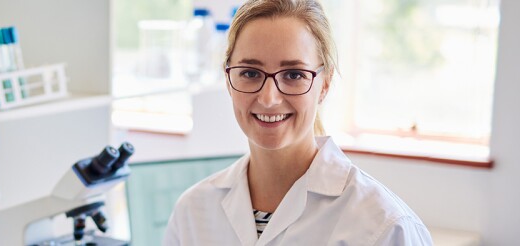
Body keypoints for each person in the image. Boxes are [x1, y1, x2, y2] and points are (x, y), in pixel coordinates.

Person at [163, 0, 433, 245]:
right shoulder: (192, 211)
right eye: (249, 73)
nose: (269, 98)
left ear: (324, 85)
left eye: (293, 74)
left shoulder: (384, 227)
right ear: (228, 80)